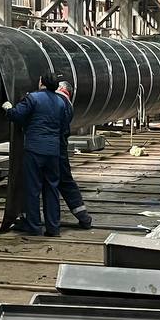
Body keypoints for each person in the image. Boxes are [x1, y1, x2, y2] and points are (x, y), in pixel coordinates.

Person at [3, 73, 72, 236]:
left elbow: (17, 115)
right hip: (53, 151)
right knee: (52, 188)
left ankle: (34, 226)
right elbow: (64, 127)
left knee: (33, 189)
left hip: (35, 150)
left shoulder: (33, 98)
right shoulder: (61, 102)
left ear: (42, 82)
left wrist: (7, 108)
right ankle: (53, 228)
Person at [52, 80, 93, 229]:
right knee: (66, 182)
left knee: (47, 184)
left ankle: (43, 221)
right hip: (60, 148)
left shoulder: (56, 100)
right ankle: (83, 217)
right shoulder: (68, 104)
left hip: (50, 147)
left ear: (61, 88)